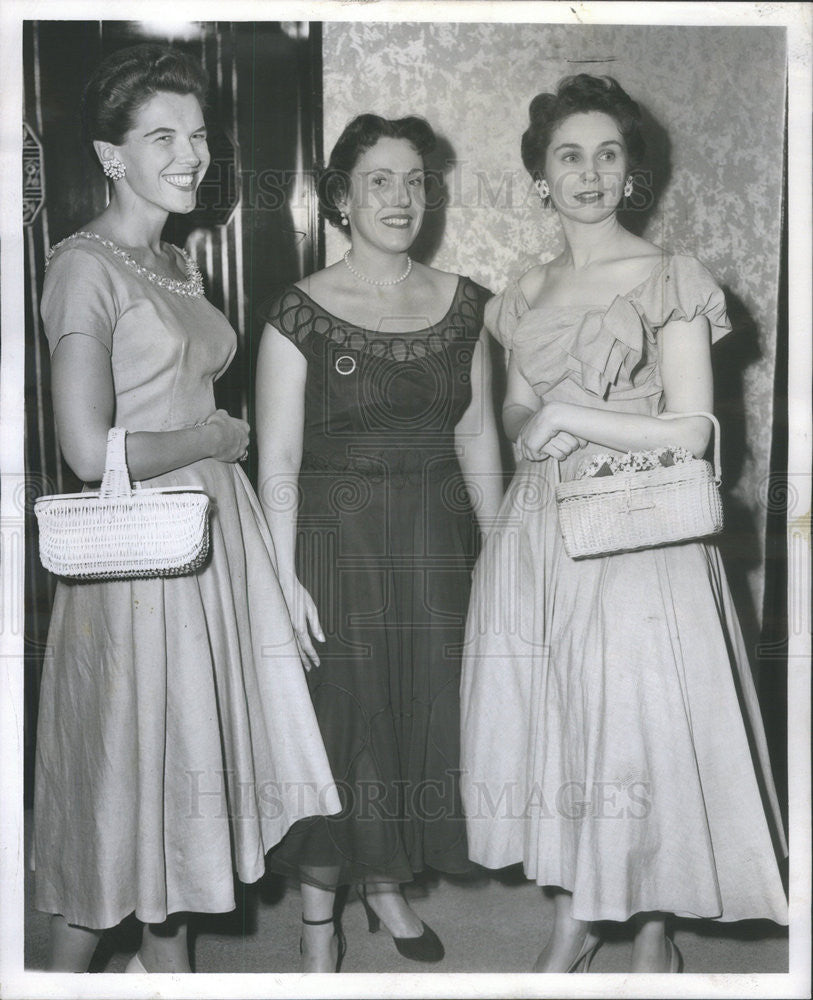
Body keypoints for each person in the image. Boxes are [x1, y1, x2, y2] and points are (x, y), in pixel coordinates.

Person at [460, 74, 788, 974]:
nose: (590, 173)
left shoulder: (669, 278)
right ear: (540, 177)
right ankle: (633, 921)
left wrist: (576, 422)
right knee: (570, 727)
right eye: (570, 156)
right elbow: (520, 411)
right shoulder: (523, 291)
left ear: (632, 175)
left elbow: (691, 429)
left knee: (639, 728)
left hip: (639, 526)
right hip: (543, 531)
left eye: (609, 155)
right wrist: (544, 426)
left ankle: (619, 927)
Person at [33, 43, 339, 973]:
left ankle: (173, 978)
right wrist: (212, 438)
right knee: (121, 807)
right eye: (161, 135)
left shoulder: (174, 258)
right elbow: (90, 450)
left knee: (182, 798)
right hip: (141, 556)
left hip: (213, 540)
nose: (190, 154)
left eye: (198, 136)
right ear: (110, 154)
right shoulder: (81, 266)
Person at [256, 113, 503, 972]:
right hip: (336, 543)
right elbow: (278, 456)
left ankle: (386, 883)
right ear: (340, 197)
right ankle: (319, 920)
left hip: (437, 545)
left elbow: (476, 437)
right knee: (346, 725)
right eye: (378, 182)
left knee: (418, 720)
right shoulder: (298, 310)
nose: (401, 199)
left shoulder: (465, 301)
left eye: (414, 181)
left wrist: (501, 548)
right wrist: (280, 576)